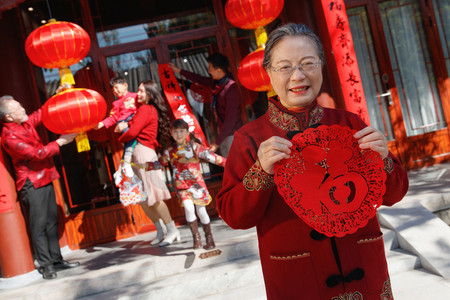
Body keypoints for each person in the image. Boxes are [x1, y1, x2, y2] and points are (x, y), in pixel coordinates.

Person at [215, 23, 409, 299]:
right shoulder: (250, 138)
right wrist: (261, 172)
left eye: (308, 63)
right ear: (268, 72)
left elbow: (396, 193)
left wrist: (382, 159)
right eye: (285, 67)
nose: (298, 75)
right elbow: (234, 215)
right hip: (300, 280)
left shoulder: (349, 123)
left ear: (321, 66)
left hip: (366, 274)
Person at [0, 95, 80, 280]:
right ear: (9, 117)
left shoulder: (23, 123)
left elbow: (40, 114)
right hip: (31, 183)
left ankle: (56, 259)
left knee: (52, 220)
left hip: (45, 176)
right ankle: (46, 265)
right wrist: (61, 141)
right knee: (39, 225)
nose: (23, 109)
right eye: (18, 108)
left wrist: (57, 96)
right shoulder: (9, 136)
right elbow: (37, 153)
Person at [115, 80, 180, 247]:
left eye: (142, 91)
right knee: (143, 197)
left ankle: (172, 230)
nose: (138, 94)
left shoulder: (145, 109)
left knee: (154, 195)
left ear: (150, 94)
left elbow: (133, 132)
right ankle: (161, 230)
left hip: (144, 155)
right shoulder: (144, 110)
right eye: (138, 90)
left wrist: (122, 133)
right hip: (139, 155)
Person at [147, 119, 226, 250]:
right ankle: (196, 238)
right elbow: (159, 163)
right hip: (182, 186)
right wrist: (145, 166)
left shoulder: (194, 146)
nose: (179, 134)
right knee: (189, 209)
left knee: (201, 211)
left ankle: (209, 237)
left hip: (197, 185)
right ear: (171, 133)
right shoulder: (169, 151)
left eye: (182, 131)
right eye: (176, 131)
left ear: (187, 132)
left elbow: (211, 157)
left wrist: (228, 162)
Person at [169, 53, 243, 157]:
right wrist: (179, 71)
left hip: (233, 135)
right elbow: (200, 79)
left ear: (219, 70)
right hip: (224, 135)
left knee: (237, 166)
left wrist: (217, 143)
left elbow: (230, 120)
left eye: (210, 68)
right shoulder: (218, 83)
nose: (208, 71)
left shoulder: (231, 88)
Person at [97, 76, 137, 179]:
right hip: (123, 124)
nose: (115, 90)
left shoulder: (135, 96)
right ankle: (126, 165)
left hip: (133, 121)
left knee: (131, 141)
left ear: (125, 85)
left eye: (116, 87)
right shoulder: (116, 103)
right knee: (131, 138)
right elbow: (113, 117)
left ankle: (120, 169)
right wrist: (101, 124)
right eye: (113, 89)